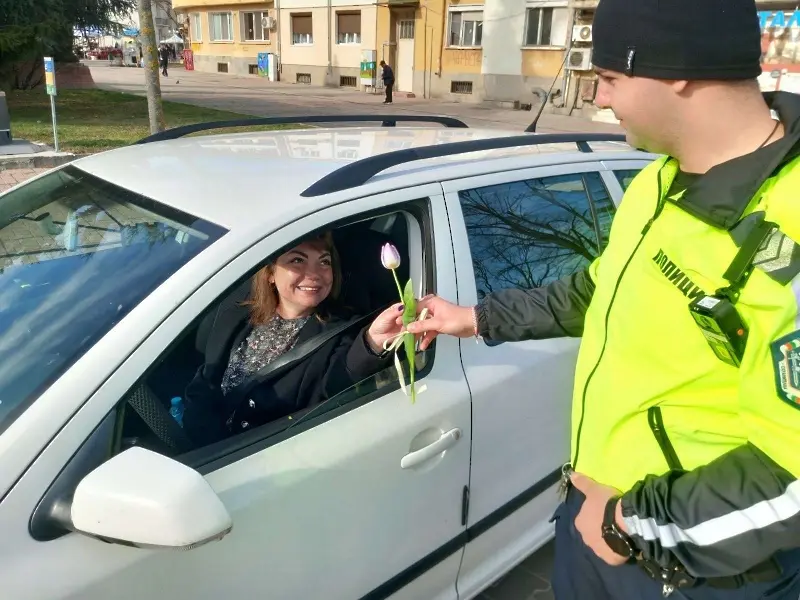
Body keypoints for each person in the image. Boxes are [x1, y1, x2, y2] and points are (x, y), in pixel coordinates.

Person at [405, 0, 800, 597]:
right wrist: (475, 318)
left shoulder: (789, 225)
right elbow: (598, 291)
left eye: (611, 78)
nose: (600, 101)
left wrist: (628, 526)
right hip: (596, 520)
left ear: (679, 68)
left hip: (697, 569)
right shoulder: (657, 180)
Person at [183, 232, 401, 446]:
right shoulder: (237, 313)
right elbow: (205, 379)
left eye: (324, 262)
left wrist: (372, 343)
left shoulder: (340, 331)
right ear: (270, 273)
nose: (314, 274)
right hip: (204, 451)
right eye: (297, 260)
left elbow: (339, 380)